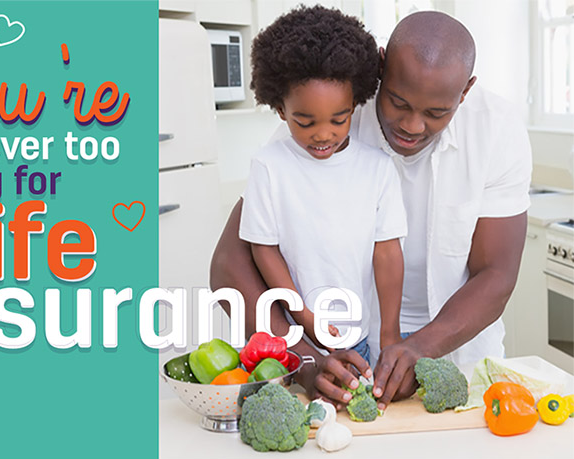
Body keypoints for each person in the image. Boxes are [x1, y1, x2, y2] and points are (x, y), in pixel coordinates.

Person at [210, 10, 531, 411]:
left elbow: (498, 275)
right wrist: (304, 358)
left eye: (436, 113)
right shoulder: (328, 115)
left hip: (458, 354)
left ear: (465, 92)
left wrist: (418, 348)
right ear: (381, 67)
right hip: (333, 350)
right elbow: (228, 266)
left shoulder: (498, 130)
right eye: (398, 102)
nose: (413, 126)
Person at [239, 5, 406, 363]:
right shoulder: (269, 166)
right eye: (304, 121)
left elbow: (388, 252)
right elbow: (263, 250)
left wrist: (389, 334)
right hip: (290, 343)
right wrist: (306, 319)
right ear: (281, 110)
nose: (323, 134)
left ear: (355, 103)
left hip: (356, 341)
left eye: (338, 119)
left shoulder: (377, 169)